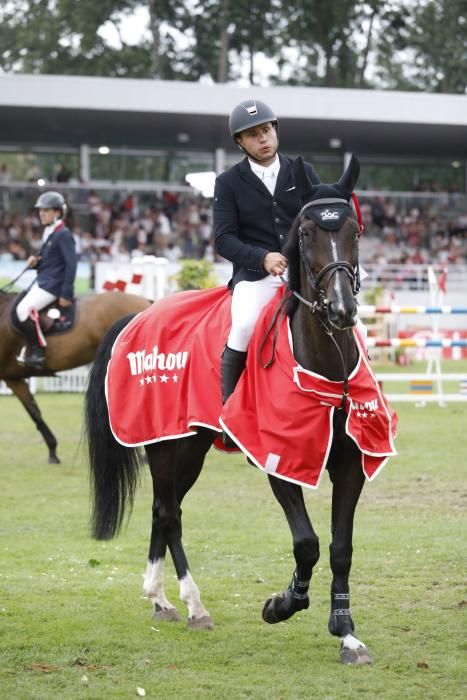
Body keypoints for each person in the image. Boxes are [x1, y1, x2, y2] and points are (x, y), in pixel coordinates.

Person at [213, 98, 319, 447]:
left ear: (276, 131)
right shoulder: (229, 182)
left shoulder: (302, 170)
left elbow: (318, 221)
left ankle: (360, 400)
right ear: (240, 143)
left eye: (267, 130)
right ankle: (230, 417)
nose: (263, 138)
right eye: (253, 135)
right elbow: (223, 238)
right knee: (243, 325)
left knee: (352, 321)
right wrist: (262, 258)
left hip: (302, 273)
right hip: (255, 276)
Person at [15, 191, 77, 369]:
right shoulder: (50, 232)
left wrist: (66, 293)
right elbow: (51, 261)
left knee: (23, 310)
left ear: (57, 213)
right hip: (43, 282)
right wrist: (35, 263)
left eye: (46, 210)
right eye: (40, 210)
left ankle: (37, 351)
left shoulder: (63, 234)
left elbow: (71, 265)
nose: (41, 213)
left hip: (52, 286)